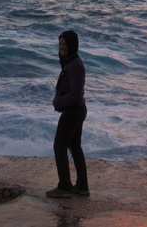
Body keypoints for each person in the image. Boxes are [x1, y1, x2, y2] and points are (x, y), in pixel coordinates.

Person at [46, 30, 89, 198]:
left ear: (72, 46)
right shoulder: (69, 62)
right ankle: (82, 186)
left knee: (59, 146)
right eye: (60, 44)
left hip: (73, 112)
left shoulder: (76, 65)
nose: (62, 47)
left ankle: (64, 187)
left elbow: (76, 94)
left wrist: (58, 102)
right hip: (76, 110)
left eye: (65, 44)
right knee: (75, 147)